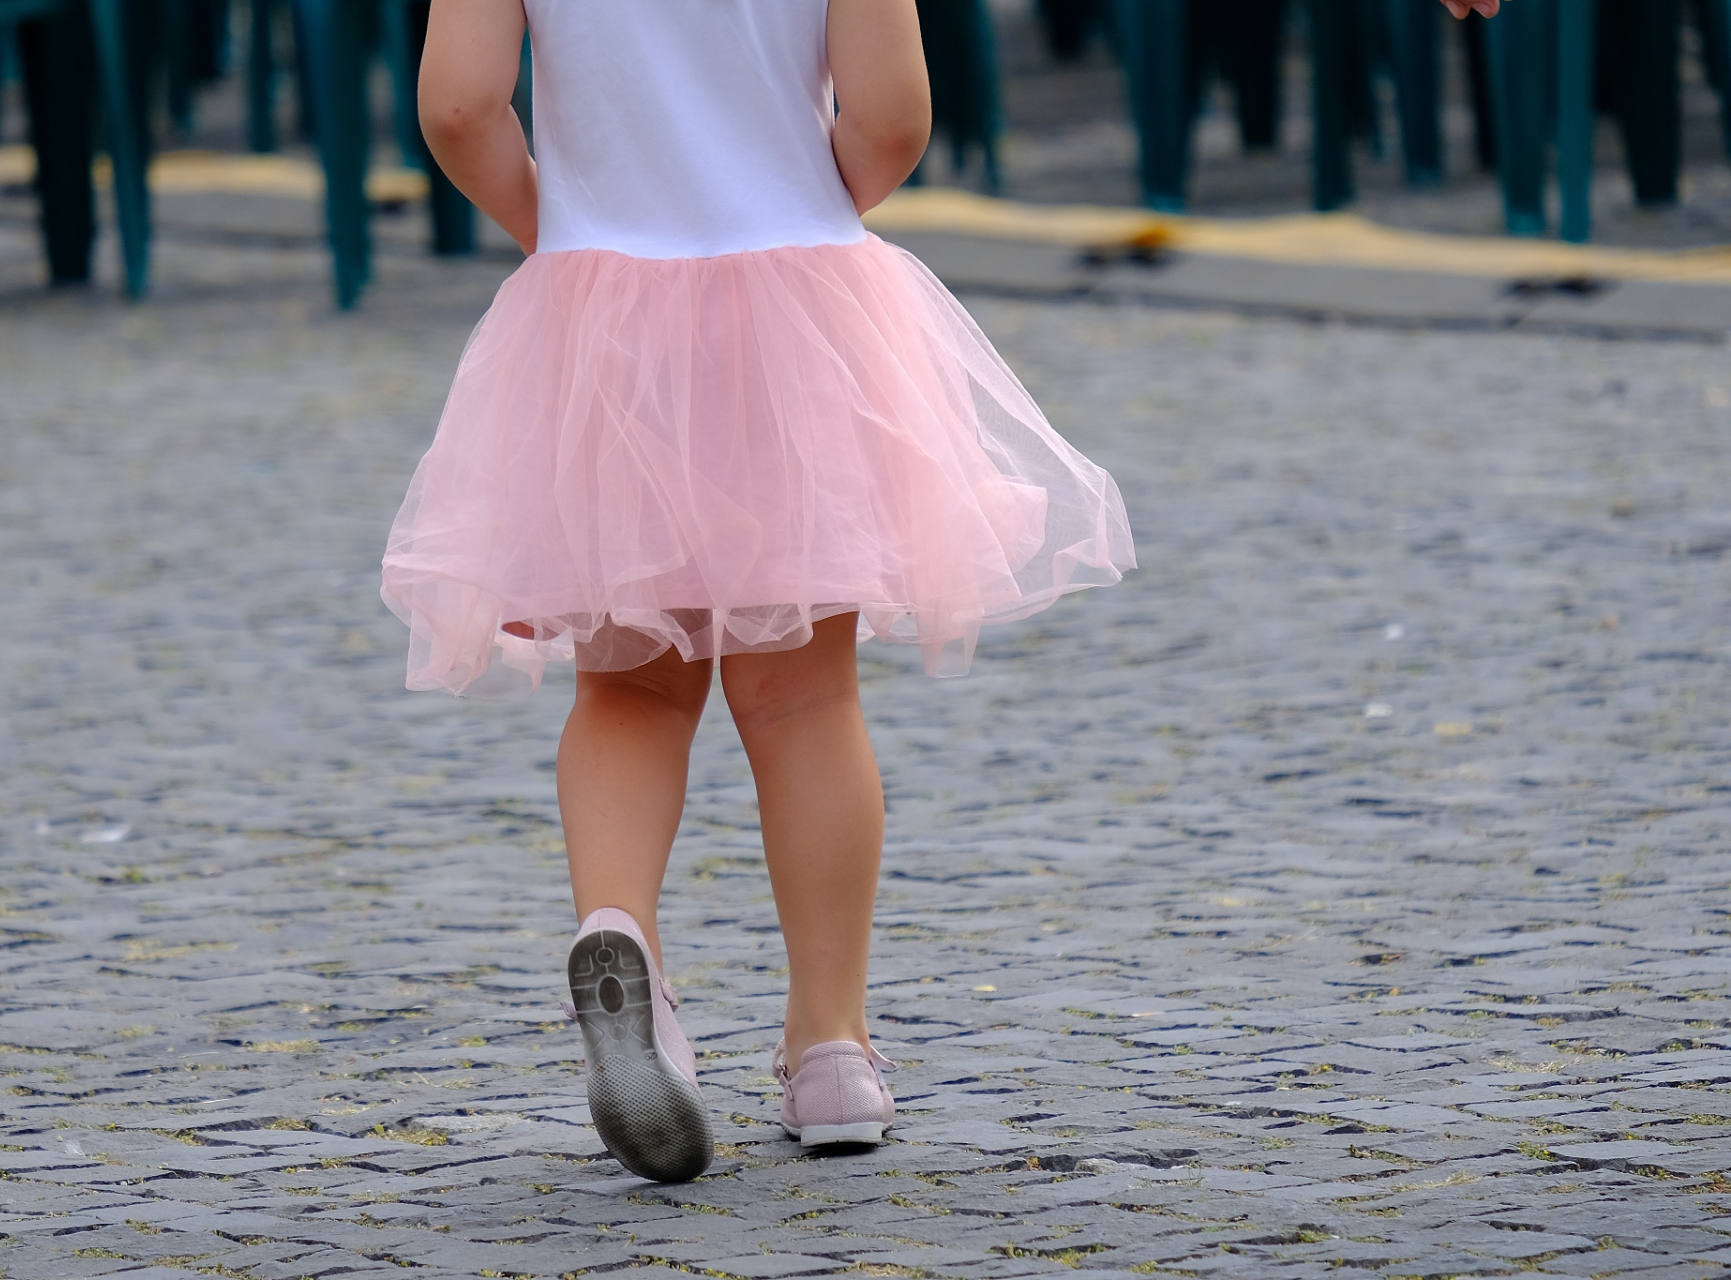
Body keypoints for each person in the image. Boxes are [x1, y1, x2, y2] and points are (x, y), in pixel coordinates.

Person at [384, 0, 1479, 1185]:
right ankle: (831, 1049)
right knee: (803, 704)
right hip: (792, 297)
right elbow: (894, 117)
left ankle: (620, 935)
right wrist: (801, 213)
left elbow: (456, 104)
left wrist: (560, 229)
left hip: (599, 306)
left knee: (631, 693)